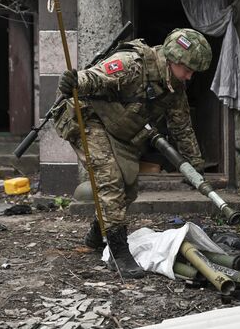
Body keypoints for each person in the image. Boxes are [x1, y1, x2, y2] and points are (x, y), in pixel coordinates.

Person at [53, 28, 212, 278]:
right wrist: (75, 81)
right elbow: (94, 78)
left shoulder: (175, 88)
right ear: (172, 59)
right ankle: (118, 252)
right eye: (188, 69)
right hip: (89, 118)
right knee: (111, 180)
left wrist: (195, 164)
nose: (190, 76)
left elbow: (181, 126)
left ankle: (96, 234)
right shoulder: (134, 65)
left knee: (128, 187)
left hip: (119, 129)